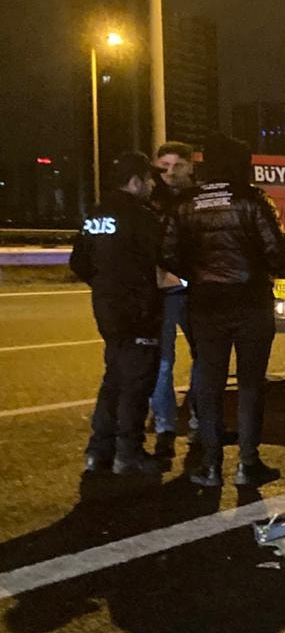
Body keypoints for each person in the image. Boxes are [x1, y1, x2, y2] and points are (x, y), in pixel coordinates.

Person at [164, 134, 285, 488]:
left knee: (209, 383)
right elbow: (278, 250)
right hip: (251, 303)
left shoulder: (186, 203)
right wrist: (259, 271)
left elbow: (168, 253)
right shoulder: (252, 199)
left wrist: (198, 275)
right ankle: (247, 464)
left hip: (205, 304)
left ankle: (209, 464)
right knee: (251, 384)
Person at [70, 151, 164, 476]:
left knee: (113, 378)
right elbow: (165, 258)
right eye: (149, 179)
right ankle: (129, 453)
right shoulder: (141, 216)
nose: (153, 185)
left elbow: (78, 263)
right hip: (139, 311)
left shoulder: (96, 214)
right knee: (136, 383)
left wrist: (105, 284)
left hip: (107, 308)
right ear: (135, 181)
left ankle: (99, 451)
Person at [150, 140, 198, 458]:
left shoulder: (201, 199)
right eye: (164, 166)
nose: (169, 172)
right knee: (163, 363)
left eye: (176, 166)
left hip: (197, 290)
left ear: (190, 166)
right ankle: (165, 427)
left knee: (205, 358)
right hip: (164, 291)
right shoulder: (151, 201)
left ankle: (197, 420)